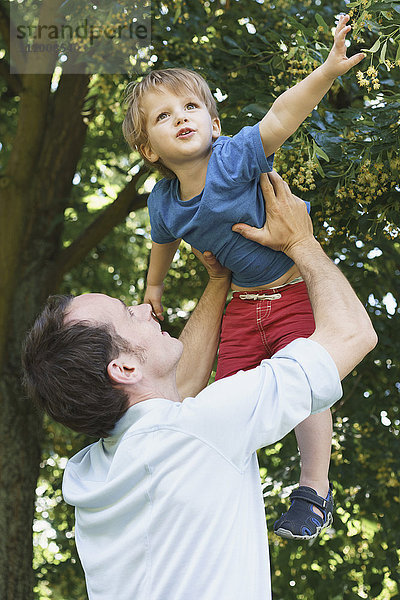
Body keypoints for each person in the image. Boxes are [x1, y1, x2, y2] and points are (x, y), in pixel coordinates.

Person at [22, 172, 377, 600]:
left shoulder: (91, 476)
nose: (143, 308)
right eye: (127, 314)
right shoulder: (200, 431)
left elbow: (179, 388)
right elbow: (353, 333)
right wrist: (300, 241)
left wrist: (219, 280)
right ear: (125, 369)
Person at [121, 15, 366, 538]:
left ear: (214, 121)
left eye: (191, 106)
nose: (181, 117)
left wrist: (326, 70)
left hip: (292, 290)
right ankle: (220, 485)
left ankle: (313, 488)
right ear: (149, 148)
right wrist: (154, 288)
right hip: (241, 304)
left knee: (307, 380)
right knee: (223, 394)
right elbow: (161, 244)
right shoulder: (164, 202)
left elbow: (281, 116)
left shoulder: (234, 157)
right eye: (164, 115)